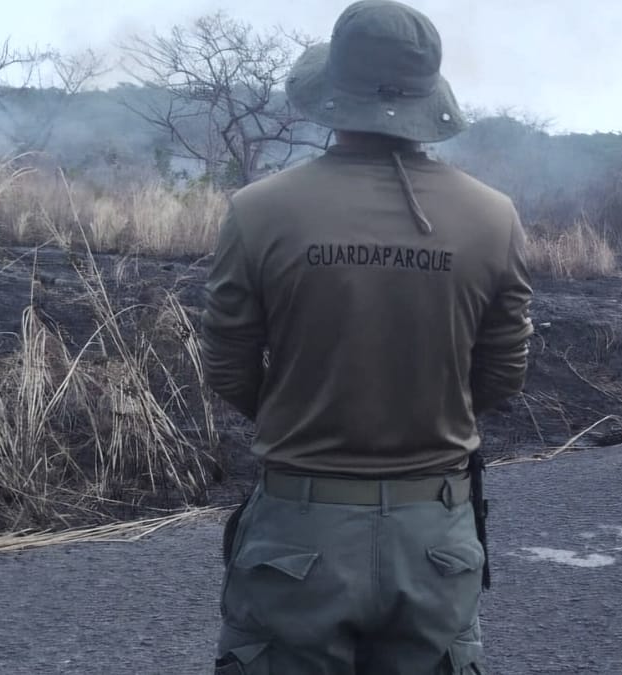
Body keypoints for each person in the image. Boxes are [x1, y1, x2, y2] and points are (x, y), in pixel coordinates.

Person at [199, 1, 533, 672]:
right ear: (427, 96)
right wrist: (424, 415)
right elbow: (502, 377)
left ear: (333, 91)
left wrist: (303, 416)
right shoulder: (495, 218)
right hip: (436, 535)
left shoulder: (258, 211)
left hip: (298, 532)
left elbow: (229, 367)